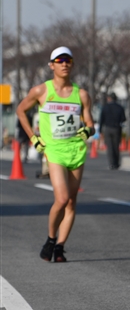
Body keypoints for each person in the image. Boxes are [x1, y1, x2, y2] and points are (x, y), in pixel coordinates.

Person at [16, 46, 95, 263]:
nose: (64, 64)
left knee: (71, 202)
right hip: (54, 151)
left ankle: (60, 247)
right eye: (59, 60)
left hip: (76, 150)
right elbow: (21, 111)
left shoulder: (81, 94)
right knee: (61, 198)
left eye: (68, 60)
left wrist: (88, 129)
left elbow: (91, 123)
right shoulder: (41, 91)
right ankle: (51, 239)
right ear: (51, 65)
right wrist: (33, 137)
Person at [98, 92, 126, 169]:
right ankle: (117, 163)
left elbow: (101, 119)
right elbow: (123, 119)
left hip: (108, 128)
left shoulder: (105, 107)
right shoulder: (120, 107)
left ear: (109, 98)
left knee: (109, 146)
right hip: (117, 128)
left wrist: (100, 130)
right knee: (116, 146)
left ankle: (111, 163)